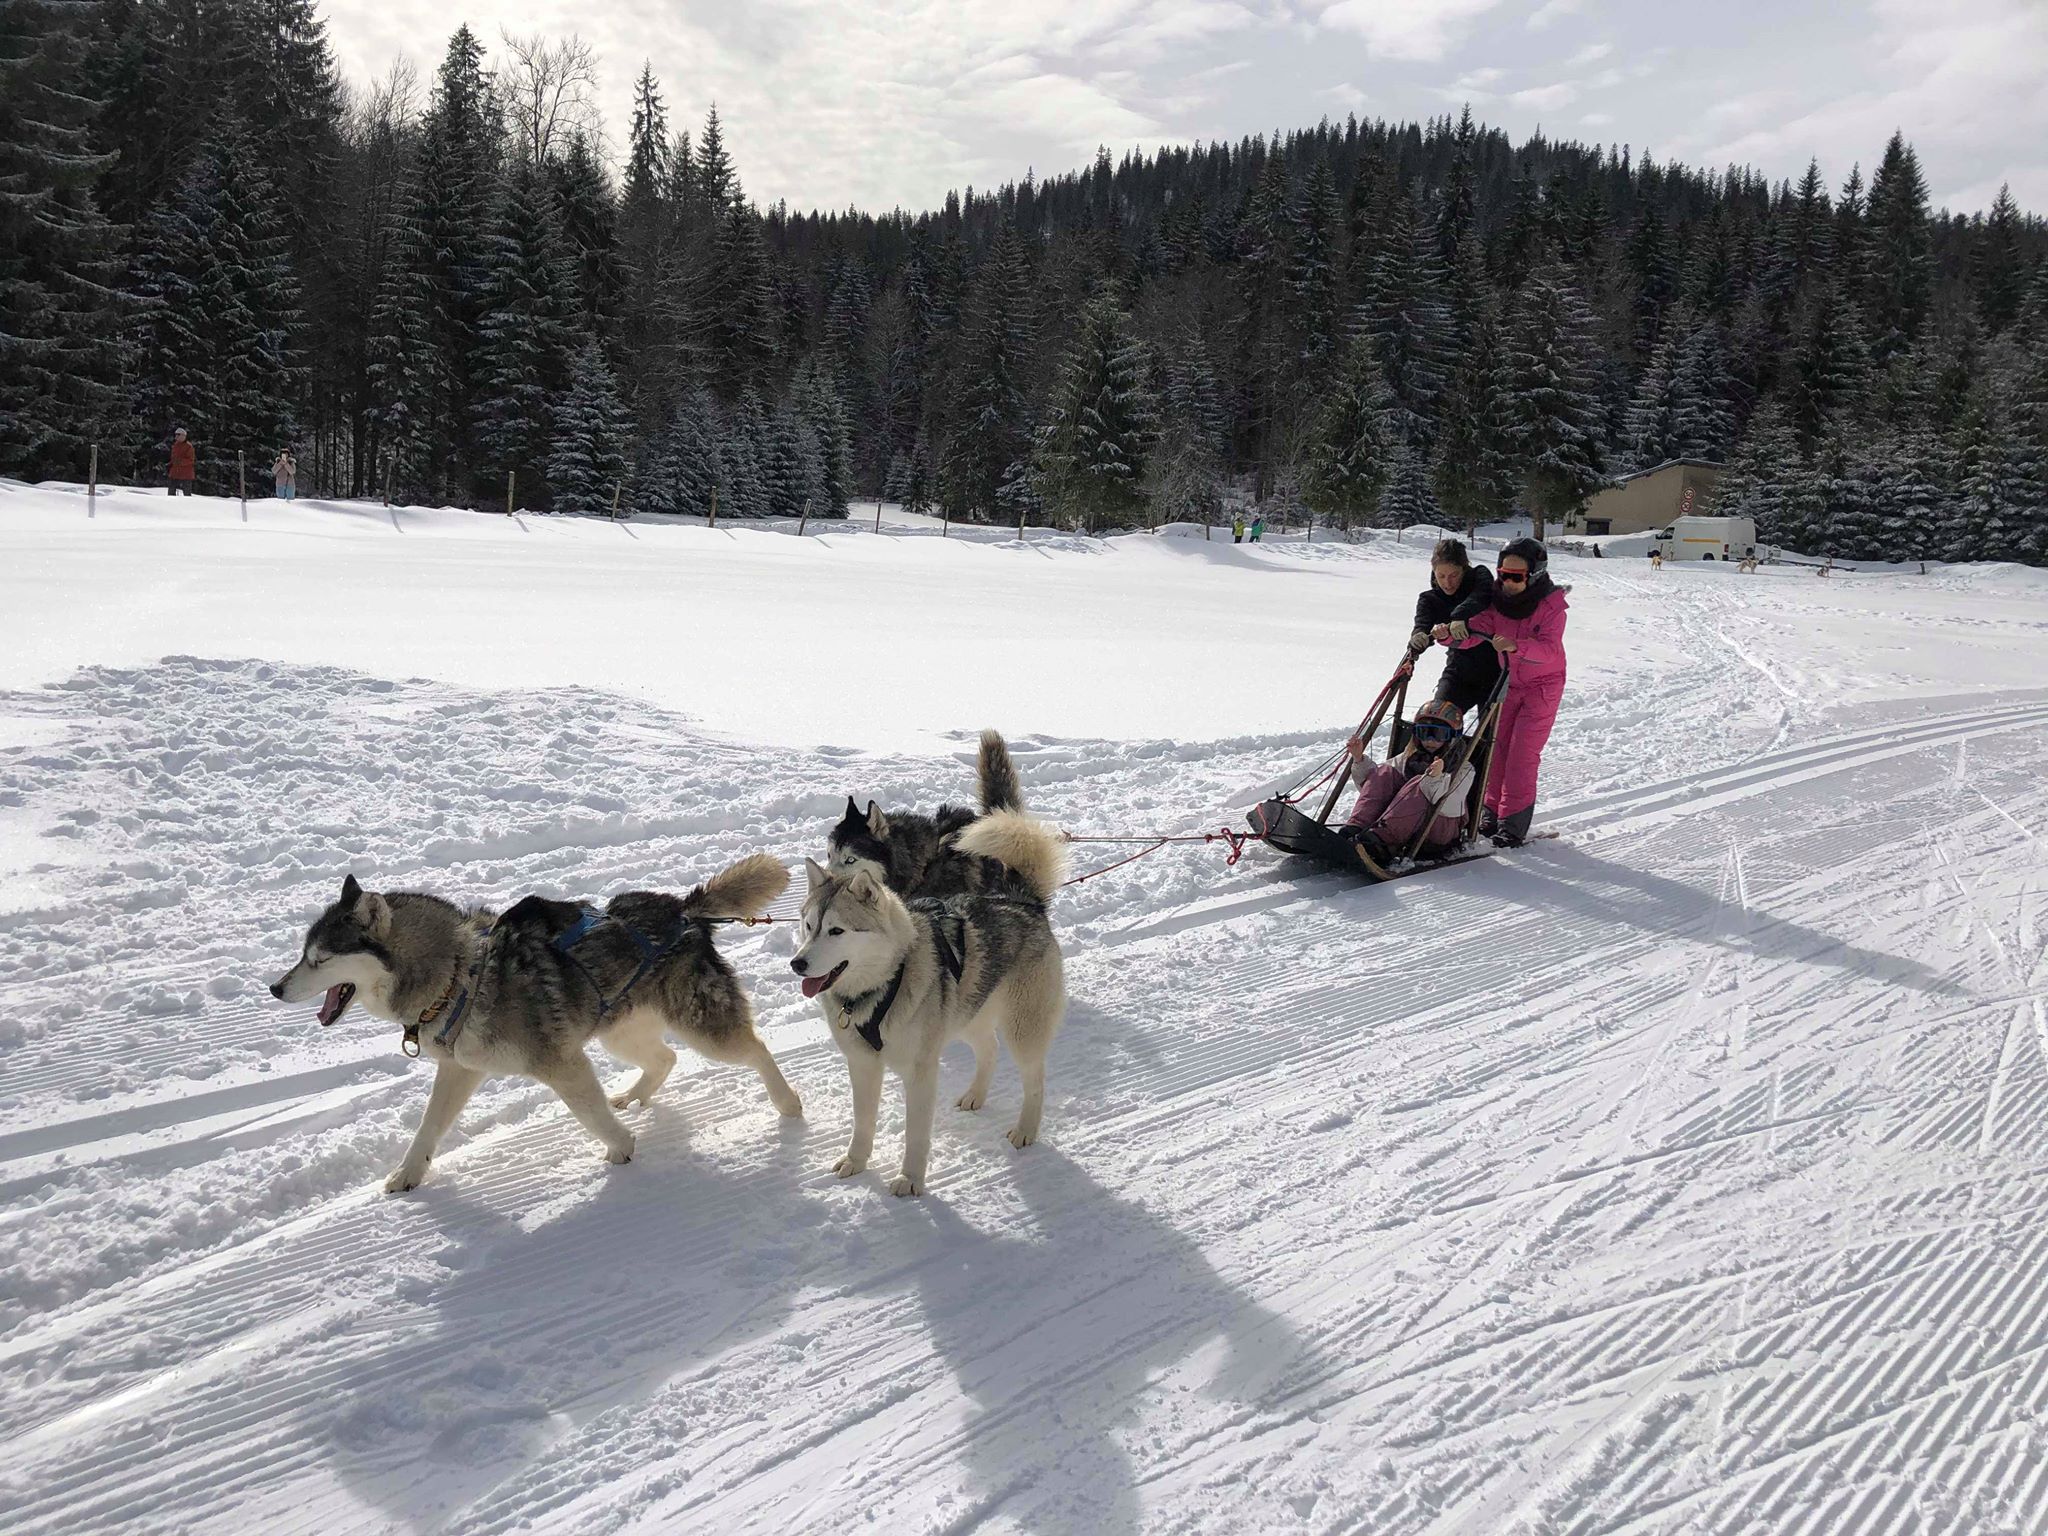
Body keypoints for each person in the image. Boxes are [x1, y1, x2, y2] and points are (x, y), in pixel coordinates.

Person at [1436, 537, 1567, 848]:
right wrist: (1449, 634)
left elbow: (1550, 651)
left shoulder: (1551, 607)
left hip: (1542, 687)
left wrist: (1516, 646)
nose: (1507, 582)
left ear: (1534, 575)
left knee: (1521, 755)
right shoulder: (1497, 602)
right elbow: (1475, 630)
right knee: (1496, 750)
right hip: (1508, 684)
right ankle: (1489, 812)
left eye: (1516, 577)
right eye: (1502, 574)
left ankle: (1513, 823)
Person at [1338, 699, 1476, 867]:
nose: (1430, 741)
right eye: (1424, 733)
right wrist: (1359, 760)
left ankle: (1381, 844)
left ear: (1452, 738)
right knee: (1385, 772)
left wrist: (1436, 778)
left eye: (1438, 734)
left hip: (1439, 831)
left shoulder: (1464, 769)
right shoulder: (1409, 758)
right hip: (1409, 827)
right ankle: (1356, 828)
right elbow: (1375, 788)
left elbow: (1448, 806)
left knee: (1419, 782)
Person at [1408, 537, 1499, 712]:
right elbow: (1422, 624)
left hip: (1495, 671)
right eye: (1441, 576)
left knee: (1489, 735)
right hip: (1458, 671)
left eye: (1453, 575)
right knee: (1437, 718)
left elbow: (1482, 596)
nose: (1447, 583)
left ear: (1464, 569)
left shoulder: (1480, 576)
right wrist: (1418, 637)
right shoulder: (1429, 599)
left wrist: (1460, 616)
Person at [168, 428, 196, 496]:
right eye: (176, 435)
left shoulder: (189, 446)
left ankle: (188, 505)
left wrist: (180, 462)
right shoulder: (175, 445)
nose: (176, 437)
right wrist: (170, 464)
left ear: (183, 436)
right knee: (171, 490)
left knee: (187, 493)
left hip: (186, 473)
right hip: (175, 472)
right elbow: (173, 458)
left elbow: (191, 460)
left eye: (178, 435)